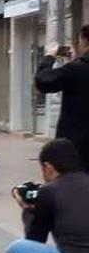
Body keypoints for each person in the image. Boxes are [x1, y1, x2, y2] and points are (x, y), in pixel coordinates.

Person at [35, 25, 89, 170]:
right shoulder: (76, 67)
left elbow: (43, 81)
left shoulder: (76, 69)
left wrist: (49, 57)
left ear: (84, 41)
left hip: (77, 145)